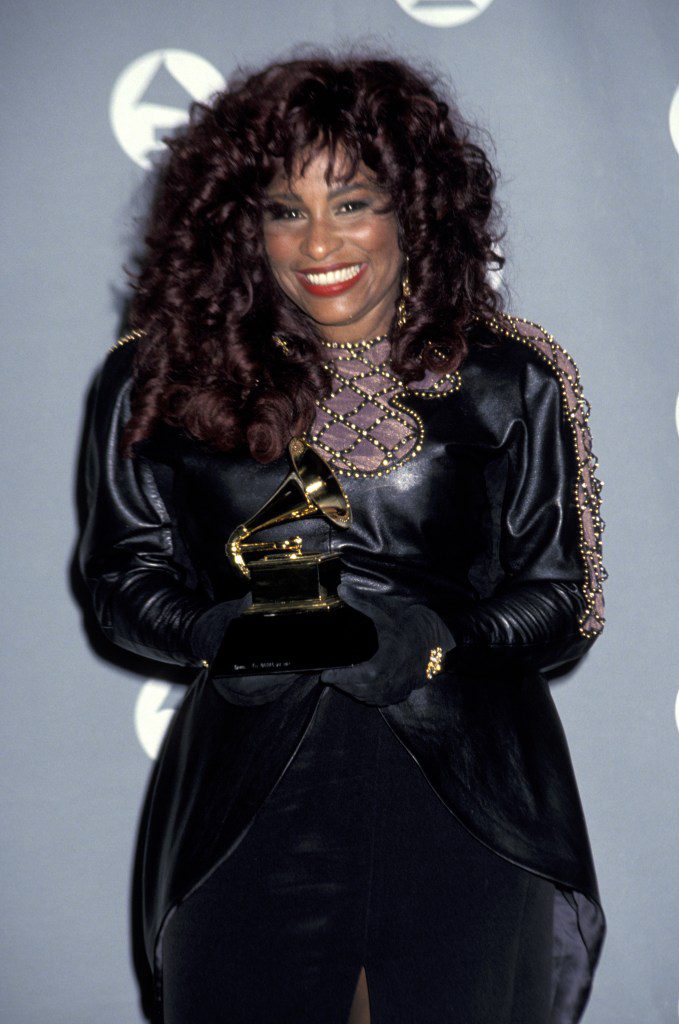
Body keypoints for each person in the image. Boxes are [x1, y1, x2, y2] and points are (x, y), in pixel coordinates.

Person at [79, 53, 607, 1024]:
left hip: (468, 797)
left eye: (353, 201)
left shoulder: (512, 374)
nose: (319, 241)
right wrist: (214, 633)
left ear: (415, 209)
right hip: (247, 797)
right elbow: (120, 577)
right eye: (285, 210)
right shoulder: (158, 377)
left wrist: (439, 637)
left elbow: (563, 599)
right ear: (243, 221)